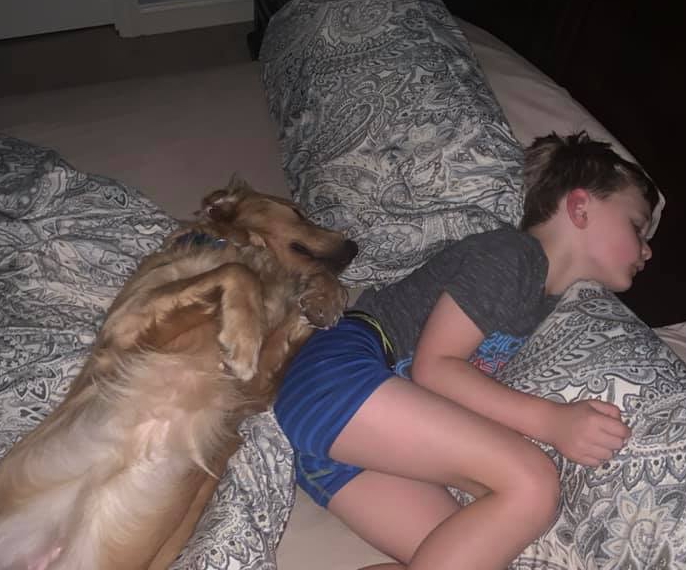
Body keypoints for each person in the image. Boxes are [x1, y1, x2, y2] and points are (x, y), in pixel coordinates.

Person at [274, 131, 660, 570]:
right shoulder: (513, 256)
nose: (648, 250)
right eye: (637, 226)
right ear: (580, 207)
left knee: (470, 555)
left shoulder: (549, 303)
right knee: (532, 483)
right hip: (336, 380)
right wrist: (553, 422)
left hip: (348, 444)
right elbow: (435, 368)